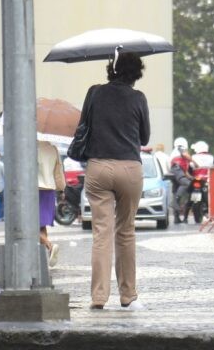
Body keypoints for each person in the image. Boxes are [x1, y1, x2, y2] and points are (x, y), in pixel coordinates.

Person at [78, 52, 150, 310]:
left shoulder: (94, 93)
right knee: (126, 231)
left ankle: (98, 296)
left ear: (112, 69)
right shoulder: (138, 98)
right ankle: (128, 295)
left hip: (98, 167)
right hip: (129, 168)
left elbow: (83, 125)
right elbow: (144, 137)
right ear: (136, 73)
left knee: (101, 233)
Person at [38, 141, 66, 268]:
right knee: (41, 225)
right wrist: (61, 189)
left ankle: (49, 245)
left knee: (27, 226)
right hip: (49, 190)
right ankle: (44, 257)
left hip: (32, 190)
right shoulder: (53, 149)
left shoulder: (27, 146)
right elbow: (58, 171)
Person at [170, 151, 195, 224]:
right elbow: (185, 154)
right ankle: (174, 202)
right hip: (177, 169)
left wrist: (192, 178)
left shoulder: (184, 162)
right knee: (186, 183)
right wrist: (195, 163)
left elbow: (186, 173)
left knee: (176, 191)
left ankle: (176, 218)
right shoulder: (180, 149)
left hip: (175, 173)